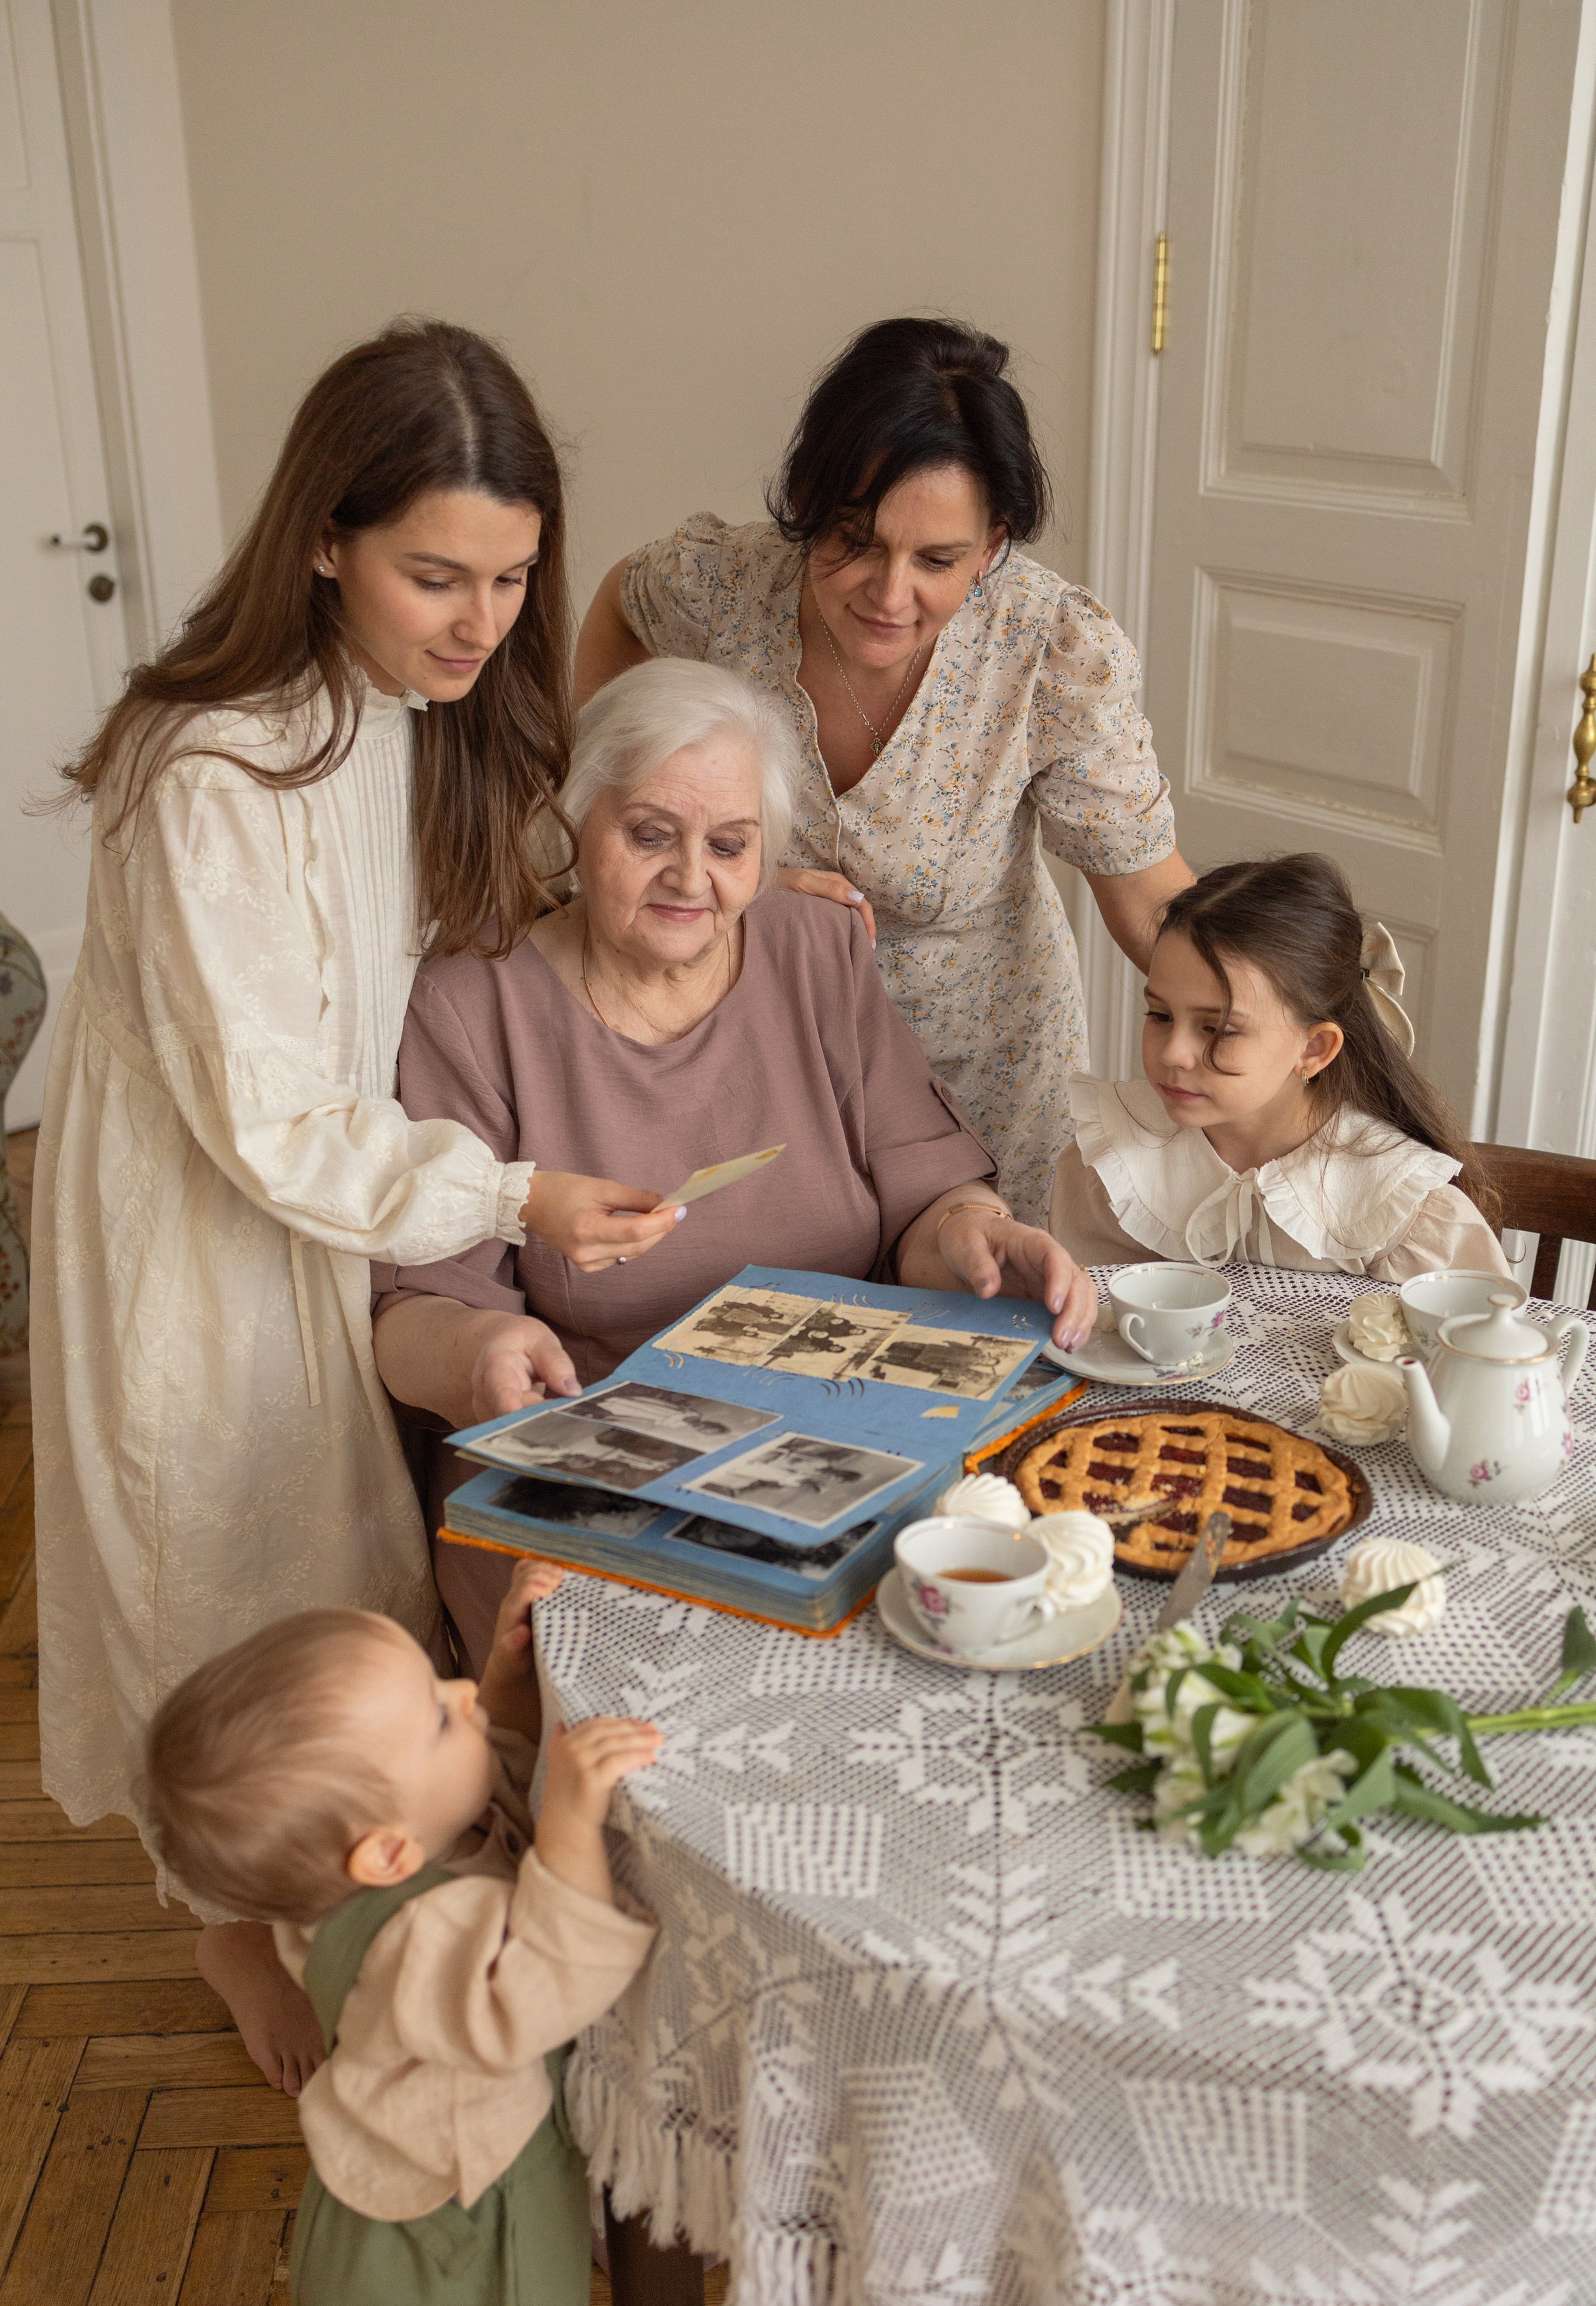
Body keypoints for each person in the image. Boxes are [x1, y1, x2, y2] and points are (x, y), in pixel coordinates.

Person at [31, 319, 678, 2095]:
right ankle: (238, 1926)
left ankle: (356, 1890)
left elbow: (515, 868)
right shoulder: (209, 768)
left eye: (513, 578)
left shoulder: (416, 711)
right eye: (434, 577)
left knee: (325, 1571)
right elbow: (267, 1111)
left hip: (318, 1214)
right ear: (323, 538)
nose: (478, 622)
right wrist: (516, 1188)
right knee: (213, 1586)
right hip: (202, 1221)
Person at [371, 657, 1099, 1668]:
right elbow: (413, 1312)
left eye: (730, 845)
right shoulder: (473, 1005)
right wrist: (478, 1358)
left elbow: (924, 1196)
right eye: (649, 834)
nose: (691, 878)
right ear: (579, 822)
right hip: (613, 1481)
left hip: (851, 1442)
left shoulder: (817, 950)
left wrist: (980, 1239)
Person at [575, 317, 1194, 1223]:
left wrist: (1262, 1017)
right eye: (853, 541)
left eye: (937, 561)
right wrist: (625, 797)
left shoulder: (1050, 649)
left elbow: (1150, 901)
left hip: (981, 1081)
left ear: (993, 546)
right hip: (766, 1061)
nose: (889, 593)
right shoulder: (727, 586)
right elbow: (620, 606)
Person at [143, 1563, 660, 2306]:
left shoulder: (363, 1868)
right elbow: (549, 1983)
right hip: (463, 2252)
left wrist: (507, 1677)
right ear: (387, 1854)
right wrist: (570, 1815)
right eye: (438, 1716)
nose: (462, 1697)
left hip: (380, 2218)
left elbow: (473, 1796)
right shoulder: (418, 1935)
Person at [1048, 854, 1512, 1278]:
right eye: (1161, 1016)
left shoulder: (1403, 1207)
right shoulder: (1112, 1164)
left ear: (1314, 1049)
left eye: (1219, 1030)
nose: (1172, 1054)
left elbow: (1475, 1356)